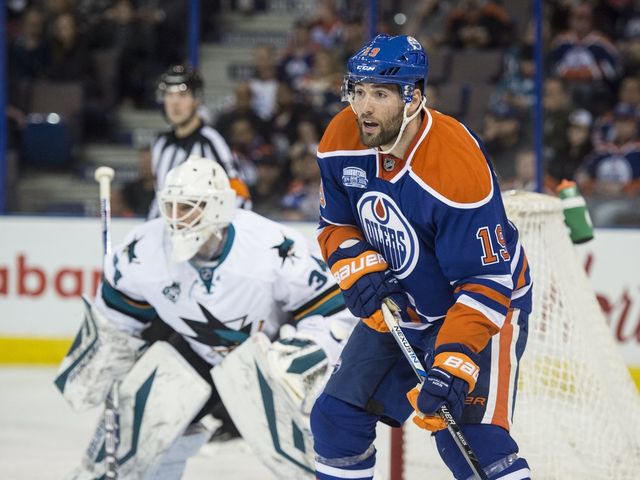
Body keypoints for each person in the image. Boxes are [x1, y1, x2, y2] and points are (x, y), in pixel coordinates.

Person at [310, 34, 533, 480]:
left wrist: (452, 362)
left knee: (469, 442)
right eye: (357, 91)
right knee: (336, 420)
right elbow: (334, 225)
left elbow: (485, 282)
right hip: (405, 302)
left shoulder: (454, 166)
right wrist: (358, 266)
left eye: (380, 94)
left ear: (413, 98)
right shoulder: (341, 136)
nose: (363, 108)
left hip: (482, 301)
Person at [55, 156, 355, 479]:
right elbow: (117, 317)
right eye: (170, 207)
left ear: (217, 207)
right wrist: (107, 356)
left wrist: (301, 357)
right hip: (194, 353)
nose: (174, 218)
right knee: (142, 419)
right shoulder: (144, 250)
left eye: (187, 207)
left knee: (301, 447)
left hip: (264, 358)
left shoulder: (270, 246)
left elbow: (334, 308)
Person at [148, 64, 250, 218]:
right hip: (168, 234)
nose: (175, 102)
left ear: (197, 100)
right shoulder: (160, 143)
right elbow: (160, 198)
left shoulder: (212, 141)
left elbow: (240, 195)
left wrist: (210, 226)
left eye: (182, 95)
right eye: (169, 94)